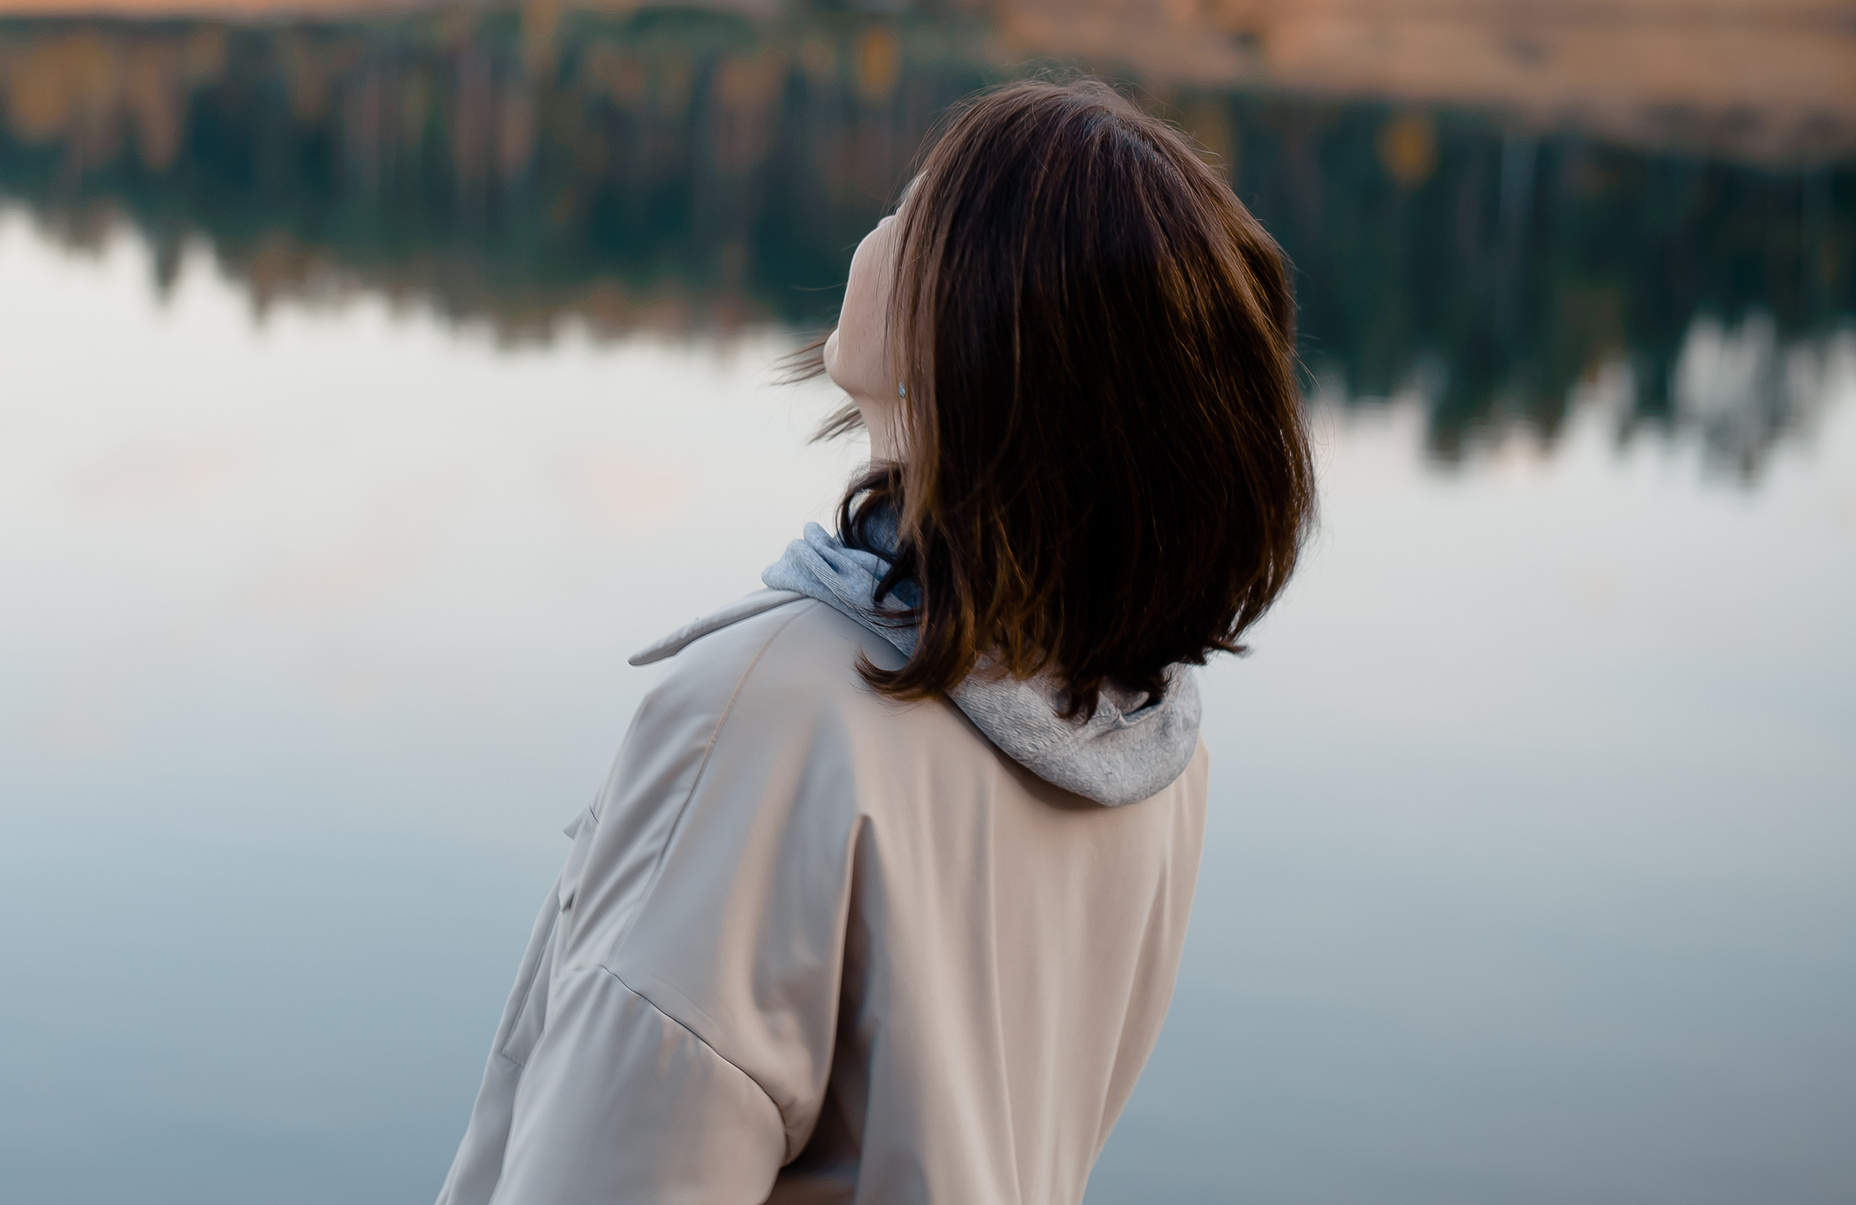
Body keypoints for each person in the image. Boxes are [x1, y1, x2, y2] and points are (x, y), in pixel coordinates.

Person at [437, 78, 1315, 1205]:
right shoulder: (1150, 739)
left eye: (916, 207)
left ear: (978, 336)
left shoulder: (783, 707)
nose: (879, 227)